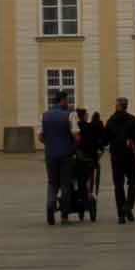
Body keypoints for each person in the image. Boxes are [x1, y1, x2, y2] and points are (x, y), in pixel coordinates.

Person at [104, 97, 135, 223]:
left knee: (118, 185)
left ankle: (121, 215)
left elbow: (105, 140)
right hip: (130, 156)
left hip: (116, 157)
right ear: (126, 106)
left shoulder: (110, 121)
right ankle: (128, 206)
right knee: (133, 182)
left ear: (117, 106)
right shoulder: (132, 120)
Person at [41, 89, 77, 226]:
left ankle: (50, 208)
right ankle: (64, 216)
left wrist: (50, 143)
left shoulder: (44, 116)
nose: (68, 103)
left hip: (50, 155)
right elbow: (76, 135)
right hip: (65, 155)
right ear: (62, 101)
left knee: (52, 183)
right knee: (65, 185)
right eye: (67, 100)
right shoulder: (70, 115)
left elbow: (40, 136)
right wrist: (73, 144)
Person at [73, 107, 107, 222]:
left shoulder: (75, 127)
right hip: (90, 160)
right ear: (84, 116)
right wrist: (99, 151)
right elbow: (94, 143)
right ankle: (89, 197)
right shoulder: (89, 127)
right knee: (90, 181)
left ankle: (80, 200)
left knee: (79, 181)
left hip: (77, 161)